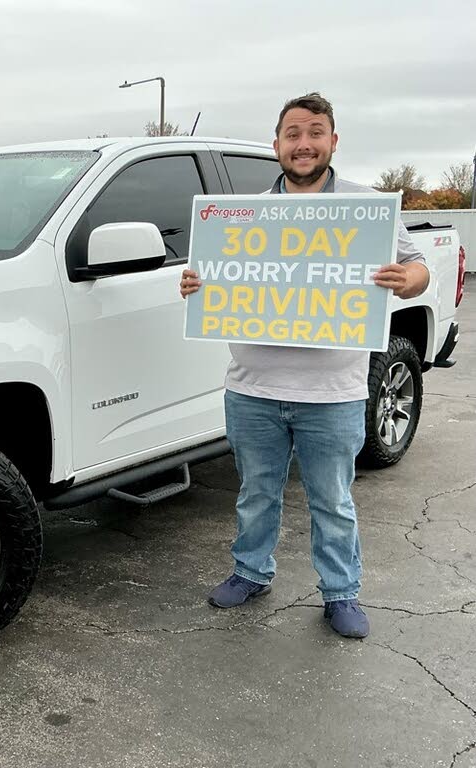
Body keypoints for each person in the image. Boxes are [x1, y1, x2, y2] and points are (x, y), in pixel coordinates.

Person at [179, 92, 430, 639]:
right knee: (256, 494)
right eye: (292, 134)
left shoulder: (366, 209)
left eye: (315, 132)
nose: (304, 143)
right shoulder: (244, 215)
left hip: (333, 393)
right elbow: (214, 278)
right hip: (253, 389)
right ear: (276, 144)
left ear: (333, 141)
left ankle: (341, 593)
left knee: (332, 501)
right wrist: (197, 285)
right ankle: (251, 572)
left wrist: (405, 280)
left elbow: (418, 269)